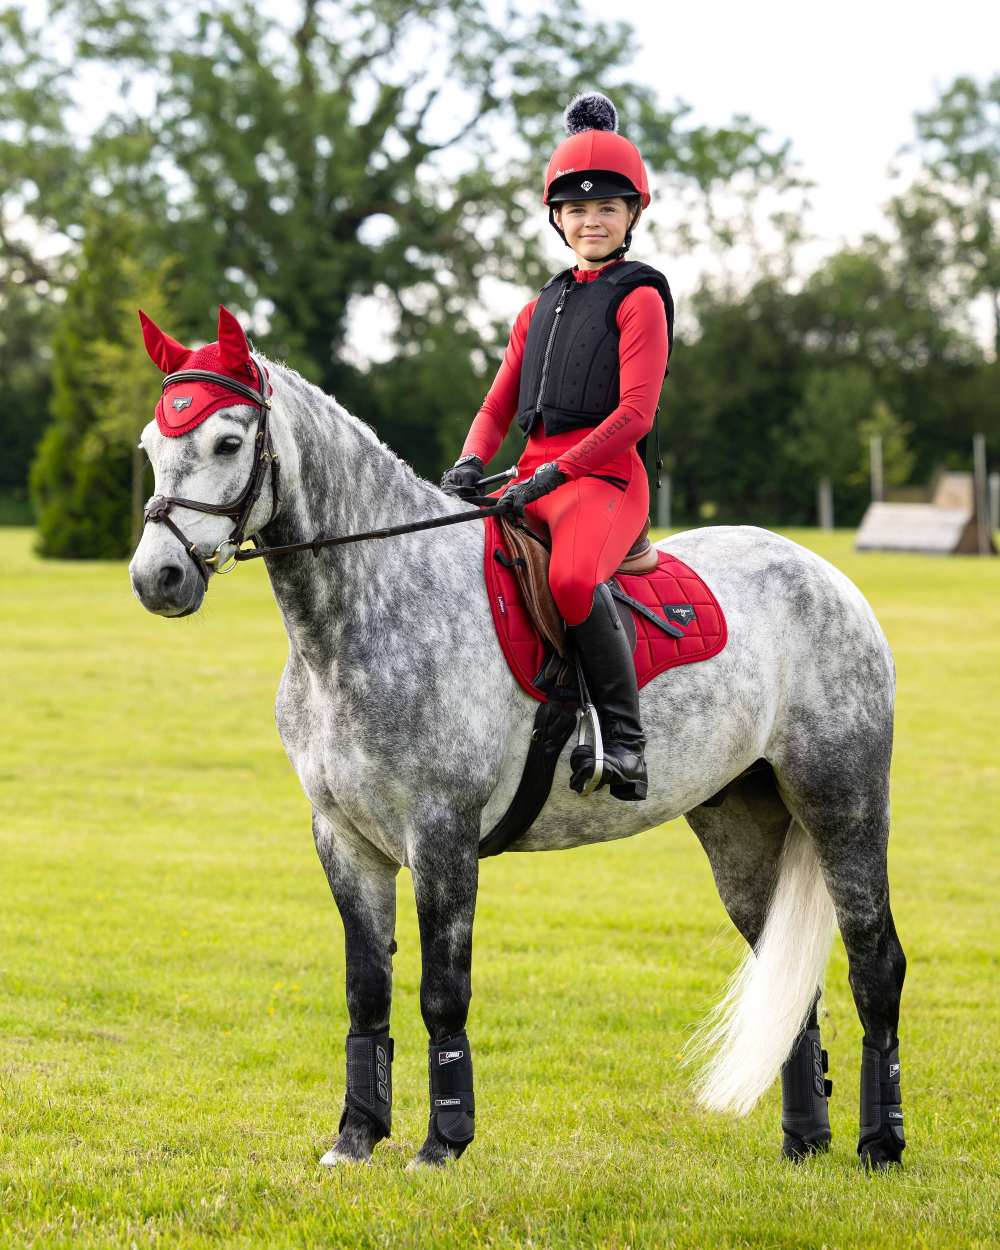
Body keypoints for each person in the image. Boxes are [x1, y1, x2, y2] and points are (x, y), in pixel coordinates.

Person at [441, 92, 673, 801]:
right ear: (556, 218)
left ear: (633, 215)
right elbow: (497, 404)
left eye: (607, 208)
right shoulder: (534, 309)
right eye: (576, 209)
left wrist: (551, 479)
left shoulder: (640, 299)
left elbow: (635, 414)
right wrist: (469, 461)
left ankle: (625, 741)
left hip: (602, 482)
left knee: (572, 581)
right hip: (530, 478)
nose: (590, 220)